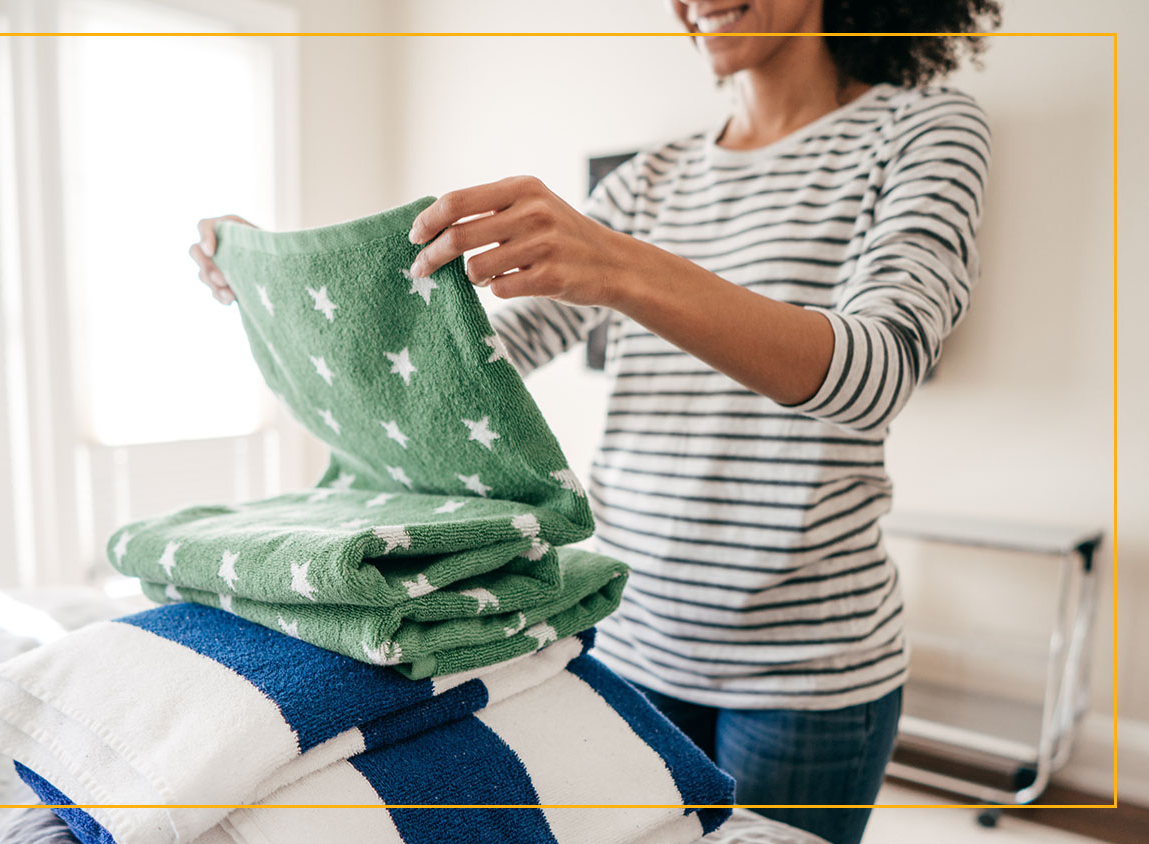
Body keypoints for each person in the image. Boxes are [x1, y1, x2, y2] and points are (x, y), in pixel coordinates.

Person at [189, 2, 999, 841]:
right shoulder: (652, 178)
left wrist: (621, 267)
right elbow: (468, 372)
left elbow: (880, 367)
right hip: (628, 634)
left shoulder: (925, 131)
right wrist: (281, 288)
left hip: (805, 671)